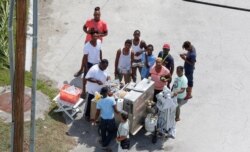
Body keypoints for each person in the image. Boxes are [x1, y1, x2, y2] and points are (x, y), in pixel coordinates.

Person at [74, 6, 108, 77]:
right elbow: (84, 27)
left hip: (97, 42)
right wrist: (87, 32)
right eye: (95, 15)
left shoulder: (103, 23)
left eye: (98, 15)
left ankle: (96, 71)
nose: (97, 16)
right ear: (93, 15)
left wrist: (98, 35)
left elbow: (106, 33)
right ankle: (81, 70)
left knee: (96, 56)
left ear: (100, 15)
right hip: (88, 41)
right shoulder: (89, 21)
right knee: (85, 56)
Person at [77, 30, 102, 96]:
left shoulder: (99, 42)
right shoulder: (87, 46)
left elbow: (100, 50)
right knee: (86, 77)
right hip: (89, 63)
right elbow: (85, 58)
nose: (95, 37)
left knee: (97, 76)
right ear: (91, 36)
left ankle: (96, 90)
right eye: (94, 36)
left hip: (97, 63)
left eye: (97, 36)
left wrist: (101, 60)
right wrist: (86, 67)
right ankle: (84, 91)